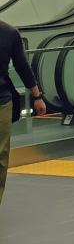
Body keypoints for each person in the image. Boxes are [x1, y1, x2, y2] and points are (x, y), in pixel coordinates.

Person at [1, 20, 44, 208]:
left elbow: (22, 66)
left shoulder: (9, 33)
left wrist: (37, 96)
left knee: (1, 154)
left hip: (2, 101)